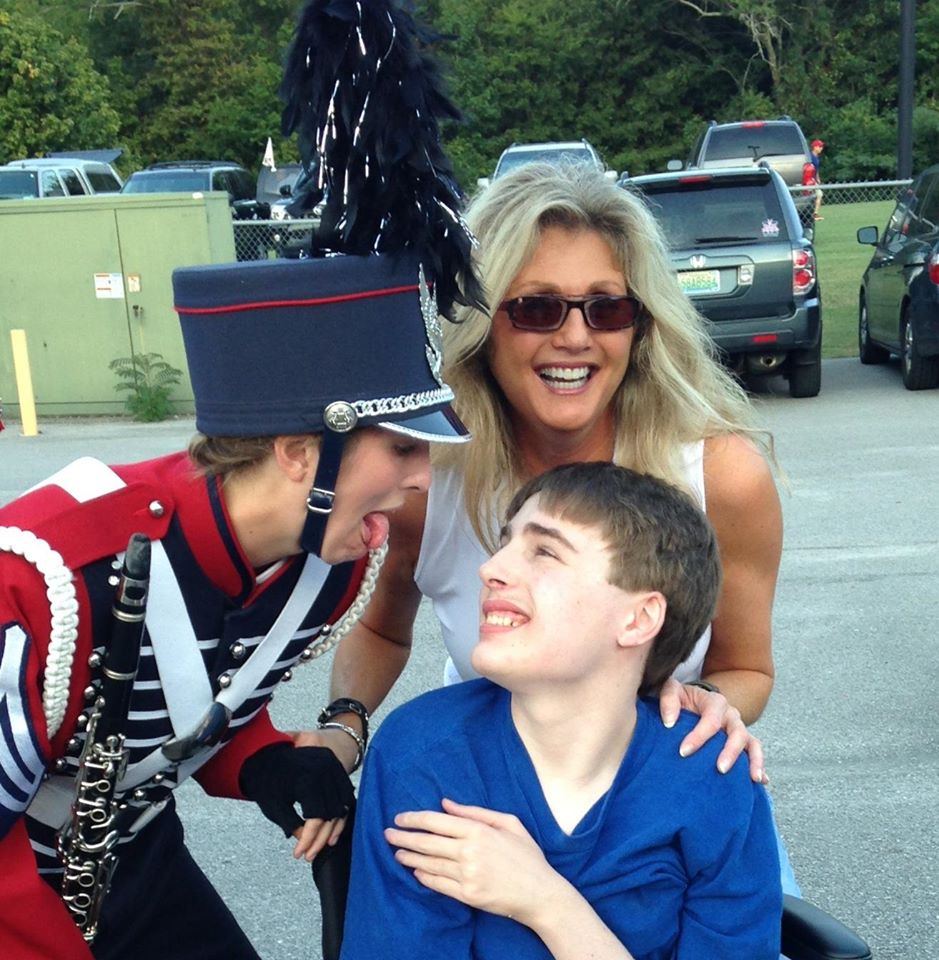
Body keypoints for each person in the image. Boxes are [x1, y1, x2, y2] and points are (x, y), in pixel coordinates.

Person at [0, 1, 483, 954]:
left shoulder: (327, 562)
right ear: (300, 450)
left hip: (128, 857)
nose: (417, 482)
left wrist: (262, 763)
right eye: (400, 448)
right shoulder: (49, 575)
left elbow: (194, 704)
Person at [312, 159, 801, 894]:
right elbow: (382, 630)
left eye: (606, 308)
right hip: (491, 793)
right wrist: (344, 724)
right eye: (537, 308)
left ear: (639, 327)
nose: (575, 337)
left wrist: (713, 704)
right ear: (482, 326)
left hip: (670, 801)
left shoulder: (719, 476)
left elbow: (747, 666)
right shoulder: (430, 481)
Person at [340, 462, 783, 959]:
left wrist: (546, 902)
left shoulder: (712, 771)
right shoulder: (424, 755)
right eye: (503, 545)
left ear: (639, 618)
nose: (490, 569)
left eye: (544, 551)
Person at [809, 138, 825, 220]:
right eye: (819, 146)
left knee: (818, 195)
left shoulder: (816, 157)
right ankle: (814, 214)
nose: (821, 148)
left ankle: (814, 214)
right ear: (815, 147)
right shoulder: (810, 156)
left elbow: (816, 169)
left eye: (821, 146)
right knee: (819, 194)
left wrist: (818, 178)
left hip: (813, 180)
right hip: (809, 180)